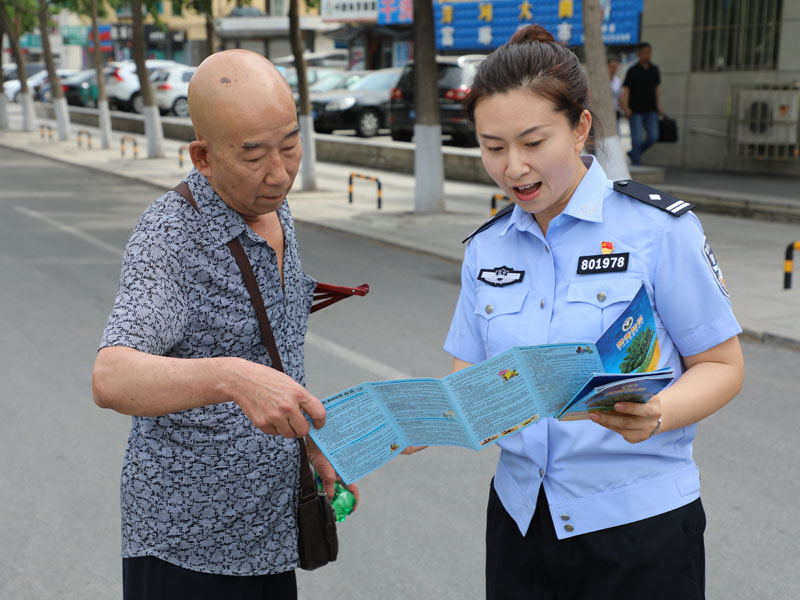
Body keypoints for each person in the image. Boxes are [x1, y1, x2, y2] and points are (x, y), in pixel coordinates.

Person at [407, 25, 744, 599]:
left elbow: (721, 364)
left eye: (533, 143)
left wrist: (658, 410)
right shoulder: (487, 247)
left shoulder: (657, 230)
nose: (513, 167)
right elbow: (474, 377)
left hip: (637, 531)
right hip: (520, 524)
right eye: (493, 147)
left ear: (581, 127)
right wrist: (422, 417)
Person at [92, 49, 357, 600]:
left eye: (290, 145)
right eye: (254, 155)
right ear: (203, 156)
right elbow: (112, 376)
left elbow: (273, 353)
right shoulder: (170, 237)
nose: (280, 172)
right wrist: (233, 378)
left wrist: (308, 445)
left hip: (269, 533)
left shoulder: (274, 205)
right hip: (188, 547)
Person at [621, 42, 662, 165]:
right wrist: (626, 107)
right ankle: (636, 164)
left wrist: (659, 106)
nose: (647, 55)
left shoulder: (654, 70)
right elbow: (626, 90)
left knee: (653, 137)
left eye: (649, 52)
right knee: (637, 139)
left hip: (651, 110)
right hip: (636, 111)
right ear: (639, 54)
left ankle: (634, 153)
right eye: (644, 52)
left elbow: (657, 89)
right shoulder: (632, 70)